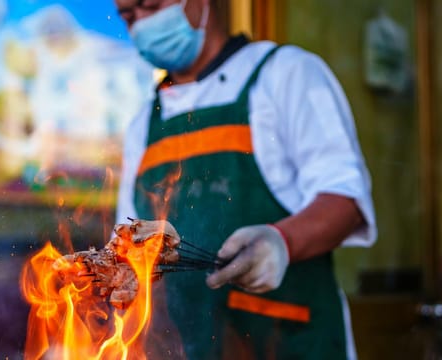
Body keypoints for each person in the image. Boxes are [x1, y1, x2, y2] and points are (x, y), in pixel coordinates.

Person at [113, 0, 376, 359]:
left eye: (151, 6)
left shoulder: (287, 74)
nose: (141, 24)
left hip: (289, 342)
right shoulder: (143, 123)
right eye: (128, 16)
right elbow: (128, 248)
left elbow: (347, 200)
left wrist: (281, 242)